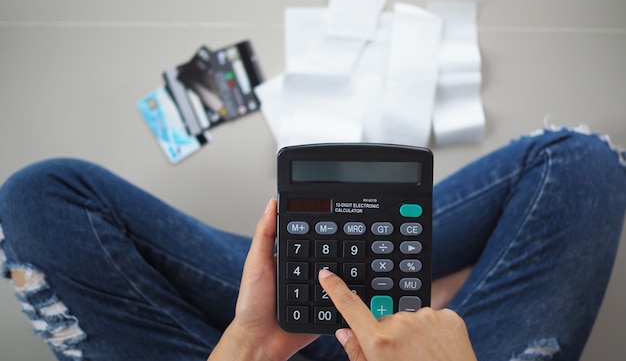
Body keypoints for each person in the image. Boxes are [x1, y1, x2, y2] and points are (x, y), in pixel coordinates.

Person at [0, 126, 625, 361]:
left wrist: (249, 342)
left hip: (277, 342)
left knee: (36, 199)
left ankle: (366, 267)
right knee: (581, 161)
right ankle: (393, 277)